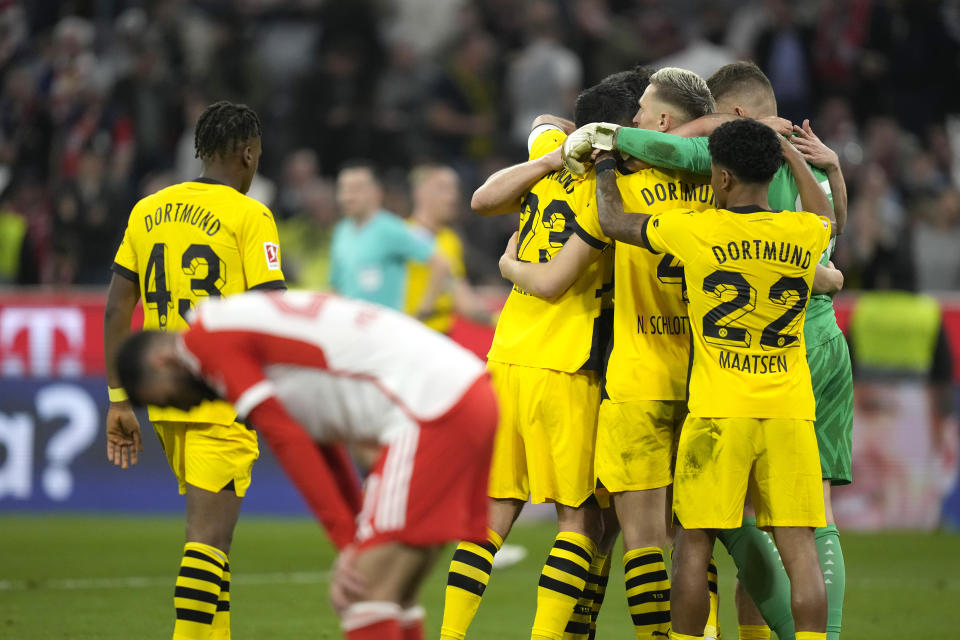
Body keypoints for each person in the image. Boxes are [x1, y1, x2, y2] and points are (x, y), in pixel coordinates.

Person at [564, 61, 850, 640]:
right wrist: (793, 151)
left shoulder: (700, 228)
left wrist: (604, 167)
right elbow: (825, 214)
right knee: (798, 543)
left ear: (718, 179)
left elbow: (617, 222)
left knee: (693, 545)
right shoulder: (803, 234)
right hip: (790, 409)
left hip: (718, 410)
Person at [114, 290, 498, 640]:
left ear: (161, 361)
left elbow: (286, 438)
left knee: (361, 594)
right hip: (464, 392)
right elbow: (319, 441)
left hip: (429, 410)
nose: (181, 408)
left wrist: (347, 543)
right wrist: (350, 538)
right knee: (394, 594)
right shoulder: (233, 322)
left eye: (163, 400)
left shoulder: (207, 342)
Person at [501, 66, 722, 640]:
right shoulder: (717, 180)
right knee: (695, 538)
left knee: (629, 538)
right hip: (704, 379)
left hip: (633, 373)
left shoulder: (618, 180)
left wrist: (509, 265)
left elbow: (556, 267)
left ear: (660, 121)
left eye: (645, 114)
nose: (637, 123)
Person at [438, 79, 639, 640]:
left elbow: (485, 195)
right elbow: (555, 283)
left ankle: (450, 635)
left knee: (494, 510)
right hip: (567, 365)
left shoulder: (551, 163)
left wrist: (557, 148)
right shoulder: (614, 191)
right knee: (579, 518)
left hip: (505, 359)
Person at [103, 100, 287, 640]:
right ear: (249, 153)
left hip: (161, 392)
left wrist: (119, 397)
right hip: (219, 393)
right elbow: (270, 311)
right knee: (208, 541)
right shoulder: (250, 215)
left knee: (213, 544)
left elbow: (117, 308)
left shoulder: (148, 209)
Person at [329, 160, 448, 313]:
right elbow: (336, 286)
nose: (347, 196)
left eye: (356, 189)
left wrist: (423, 310)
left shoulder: (393, 228)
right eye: (343, 189)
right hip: (350, 328)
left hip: (383, 330)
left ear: (376, 192)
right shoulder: (341, 231)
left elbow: (441, 264)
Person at [404, 164, 494, 332]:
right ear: (420, 193)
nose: (453, 196)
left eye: (455, 189)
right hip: (407, 336)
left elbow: (461, 295)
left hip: (440, 337)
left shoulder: (450, 240)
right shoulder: (400, 235)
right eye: (443, 188)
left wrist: (498, 319)